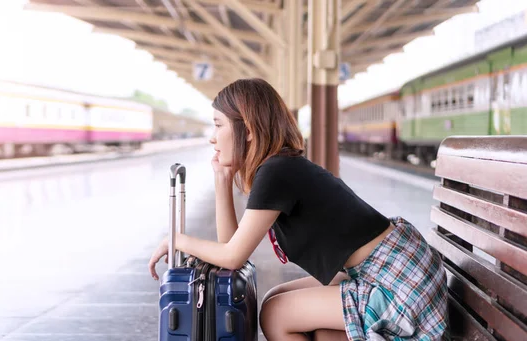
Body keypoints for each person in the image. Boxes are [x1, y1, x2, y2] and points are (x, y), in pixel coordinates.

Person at [148, 78, 448, 341]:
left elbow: (232, 256)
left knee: (275, 314)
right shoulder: (278, 166)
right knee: (276, 298)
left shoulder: (276, 172)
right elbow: (231, 251)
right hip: (387, 269)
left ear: (248, 130)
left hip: (399, 282)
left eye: (218, 125)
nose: (212, 137)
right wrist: (222, 180)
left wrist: (176, 239)